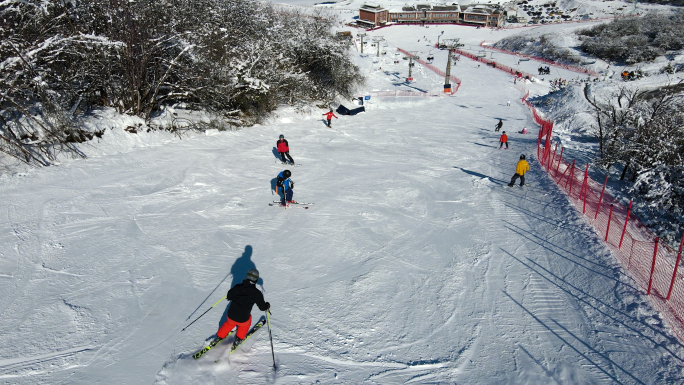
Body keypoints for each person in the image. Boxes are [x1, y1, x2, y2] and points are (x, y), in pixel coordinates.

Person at [212, 269, 270, 349]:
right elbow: (262, 307)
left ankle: (219, 337)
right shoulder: (257, 293)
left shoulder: (238, 287)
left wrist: (233, 293)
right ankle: (238, 339)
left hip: (231, 315)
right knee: (245, 325)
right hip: (243, 319)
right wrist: (267, 305)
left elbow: (229, 296)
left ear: (247, 276)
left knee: (229, 324)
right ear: (256, 279)